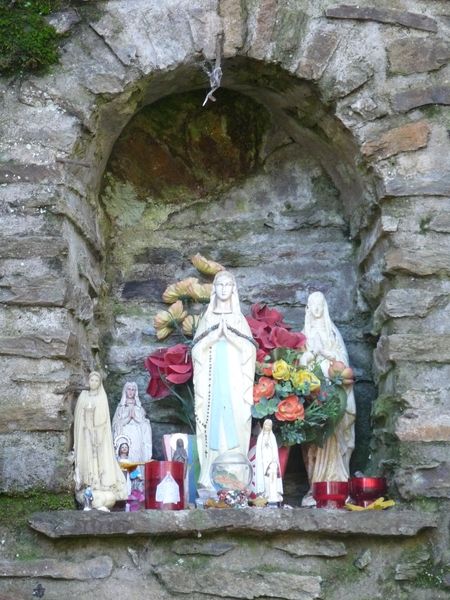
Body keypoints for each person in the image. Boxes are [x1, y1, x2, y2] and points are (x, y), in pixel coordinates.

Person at [192, 270, 257, 489]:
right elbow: (196, 350)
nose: (223, 289)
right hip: (212, 382)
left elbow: (249, 351)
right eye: (219, 285)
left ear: (233, 289)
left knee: (237, 420)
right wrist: (212, 338)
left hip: (235, 382)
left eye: (228, 285)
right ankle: (210, 474)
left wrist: (230, 337)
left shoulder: (238, 319)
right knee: (213, 424)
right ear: (214, 290)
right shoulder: (208, 318)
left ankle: (235, 474)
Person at [300, 292, 356, 502]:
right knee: (315, 440)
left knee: (337, 434)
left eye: (319, 305)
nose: (316, 309)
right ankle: (316, 486)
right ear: (308, 308)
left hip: (334, 393)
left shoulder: (333, 334)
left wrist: (328, 354)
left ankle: (339, 483)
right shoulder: (304, 335)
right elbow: (301, 363)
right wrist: (310, 355)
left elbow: (342, 360)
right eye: (312, 305)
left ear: (324, 307)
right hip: (314, 396)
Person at [73, 371, 128, 509]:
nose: (94, 383)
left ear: (99, 383)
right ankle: (89, 482)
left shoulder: (102, 398)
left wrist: (96, 428)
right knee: (88, 458)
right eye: (92, 380)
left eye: (96, 381)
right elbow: (79, 417)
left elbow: (103, 418)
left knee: (99, 458)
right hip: (85, 434)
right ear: (88, 382)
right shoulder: (83, 396)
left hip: (98, 435)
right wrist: (86, 423)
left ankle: (100, 483)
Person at [112, 381, 152, 463]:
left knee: (136, 453)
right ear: (125, 391)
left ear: (135, 392)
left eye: (133, 390)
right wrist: (128, 418)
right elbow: (115, 424)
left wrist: (135, 418)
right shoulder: (120, 407)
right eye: (129, 389)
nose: (131, 392)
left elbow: (145, 424)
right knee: (125, 453)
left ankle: (136, 473)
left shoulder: (139, 408)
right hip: (124, 434)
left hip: (137, 434)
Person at [254, 419, 283, 500]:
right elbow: (259, 449)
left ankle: (273, 493)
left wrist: (274, 459)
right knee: (263, 475)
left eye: (269, 425)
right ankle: (264, 492)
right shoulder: (260, 436)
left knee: (271, 475)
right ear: (264, 425)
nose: (267, 427)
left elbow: (274, 449)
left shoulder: (272, 436)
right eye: (266, 425)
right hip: (263, 460)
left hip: (270, 459)